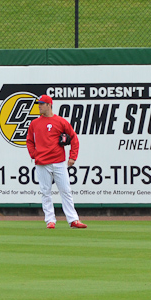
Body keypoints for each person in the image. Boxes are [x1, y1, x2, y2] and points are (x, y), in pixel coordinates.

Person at [26, 95, 87, 229]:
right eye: (39, 104)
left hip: (58, 161)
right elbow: (29, 141)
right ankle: (50, 220)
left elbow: (74, 138)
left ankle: (73, 220)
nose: (39, 106)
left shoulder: (60, 121)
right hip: (42, 163)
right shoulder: (35, 123)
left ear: (49, 105)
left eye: (42, 104)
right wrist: (34, 154)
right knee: (45, 192)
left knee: (65, 190)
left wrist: (73, 156)